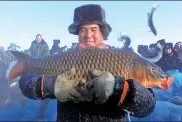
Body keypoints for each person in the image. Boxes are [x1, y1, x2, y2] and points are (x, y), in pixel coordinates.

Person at [18, 4, 156, 122]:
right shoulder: (62, 57)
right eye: (83, 30)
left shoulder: (124, 58)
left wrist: (119, 89)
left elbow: (147, 106)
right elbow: (26, 82)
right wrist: (52, 86)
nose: (88, 35)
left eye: (94, 29)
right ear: (78, 34)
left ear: (102, 33)